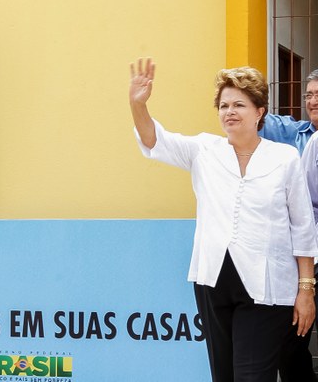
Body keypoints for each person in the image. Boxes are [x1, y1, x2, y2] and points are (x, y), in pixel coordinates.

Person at [129, 58, 318, 381]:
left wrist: (306, 289)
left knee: (251, 375)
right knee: (224, 375)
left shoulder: (284, 158)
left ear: (259, 112)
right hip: (213, 281)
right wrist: (138, 105)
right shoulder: (205, 150)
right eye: (224, 105)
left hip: (267, 288)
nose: (229, 111)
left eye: (239, 105)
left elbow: (302, 227)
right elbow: (154, 140)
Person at [261, 70, 318, 382]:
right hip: (303, 254)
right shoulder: (296, 135)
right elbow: (254, 113)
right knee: (292, 340)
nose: (312, 101)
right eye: (309, 95)